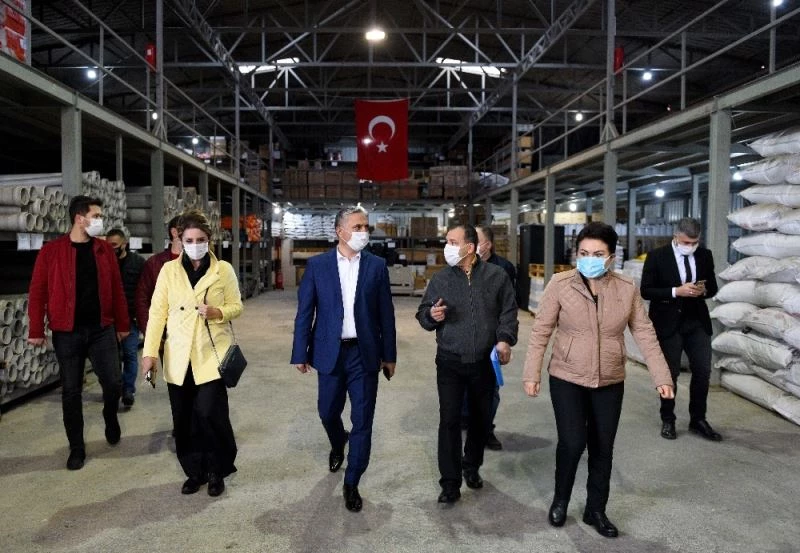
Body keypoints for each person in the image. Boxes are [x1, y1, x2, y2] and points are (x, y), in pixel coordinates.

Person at [523, 221, 674, 538]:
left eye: (597, 254)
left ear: (611, 257)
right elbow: (541, 331)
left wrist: (661, 375)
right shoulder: (560, 284)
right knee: (572, 442)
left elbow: (644, 333)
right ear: (576, 253)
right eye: (583, 252)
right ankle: (561, 500)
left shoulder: (626, 288)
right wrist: (531, 372)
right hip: (567, 375)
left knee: (603, 446)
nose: (589, 258)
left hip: (610, 378)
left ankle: (596, 510)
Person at [291, 205, 397, 513]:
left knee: (363, 419)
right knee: (327, 412)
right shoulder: (318, 266)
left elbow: (386, 314)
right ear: (340, 231)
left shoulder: (376, 266)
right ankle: (338, 441)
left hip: (364, 353)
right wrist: (300, 352)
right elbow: (305, 312)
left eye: (366, 227)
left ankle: (352, 481)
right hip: (329, 352)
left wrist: (389, 355)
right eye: (358, 227)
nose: (364, 232)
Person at [140, 209, 243, 497]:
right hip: (178, 355)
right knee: (183, 418)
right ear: (179, 240)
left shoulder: (223, 270)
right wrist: (150, 353)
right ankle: (194, 471)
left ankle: (217, 469)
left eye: (200, 240)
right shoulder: (168, 271)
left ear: (209, 240)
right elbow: (157, 313)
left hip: (211, 354)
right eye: (189, 240)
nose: (195, 245)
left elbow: (237, 306)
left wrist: (218, 312)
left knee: (210, 413)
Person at [416, 224, 518, 506]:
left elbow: (508, 313)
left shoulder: (496, 277)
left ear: (469, 247)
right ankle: (450, 483)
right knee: (449, 420)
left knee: (480, 419)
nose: (446, 247)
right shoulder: (441, 279)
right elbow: (423, 313)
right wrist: (432, 315)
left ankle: (471, 465)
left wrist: (504, 340)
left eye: (452, 241)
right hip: (449, 360)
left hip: (484, 361)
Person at [27, 195, 130, 471]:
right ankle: (76, 448)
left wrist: (123, 325)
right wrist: (36, 328)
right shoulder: (51, 251)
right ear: (79, 218)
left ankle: (110, 415)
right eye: (96, 216)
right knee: (71, 391)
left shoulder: (104, 250)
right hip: (67, 332)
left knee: (113, 383)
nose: (100, 221)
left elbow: (117, 289)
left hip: (101, 329)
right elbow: (37, 292)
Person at [640, 217, 721, 442]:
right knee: (670, 374)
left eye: (695, 242)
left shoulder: (705, 255)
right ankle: (668, 418)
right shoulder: (657, 256)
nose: (690, 246)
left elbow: (713, 287)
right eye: (686, 242)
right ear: (676, 236)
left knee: (703, 371)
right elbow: (646, 290)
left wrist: (703, 291)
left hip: (696, 321)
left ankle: (698, 419)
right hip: (668, 322)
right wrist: (676, 291)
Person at [474, 224, 517, 450]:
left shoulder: (504, 269)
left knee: (490, 388)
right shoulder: (461, 265)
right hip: (466, 337)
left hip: (491, 338)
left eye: (475, 239)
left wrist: (504, 339)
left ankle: (485, 429)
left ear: (487, 244)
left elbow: (508, 308)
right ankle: (468, 421)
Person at [106, 228, 145, 407]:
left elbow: (144, 290)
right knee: (111, 358)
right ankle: (115, 387)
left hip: (130, 318)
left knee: (129, 354)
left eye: (114, 245)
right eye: (108, 245)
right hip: (108, 320)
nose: (111, 248)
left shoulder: (138, 263)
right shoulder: (104, 262)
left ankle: (128, 389)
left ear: (124, 244)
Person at [135, 215, 182, 343]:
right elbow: (142, 299)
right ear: (174, 232)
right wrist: (150, 333)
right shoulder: (154, 263)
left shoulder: (199, 262)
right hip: (165, 333)